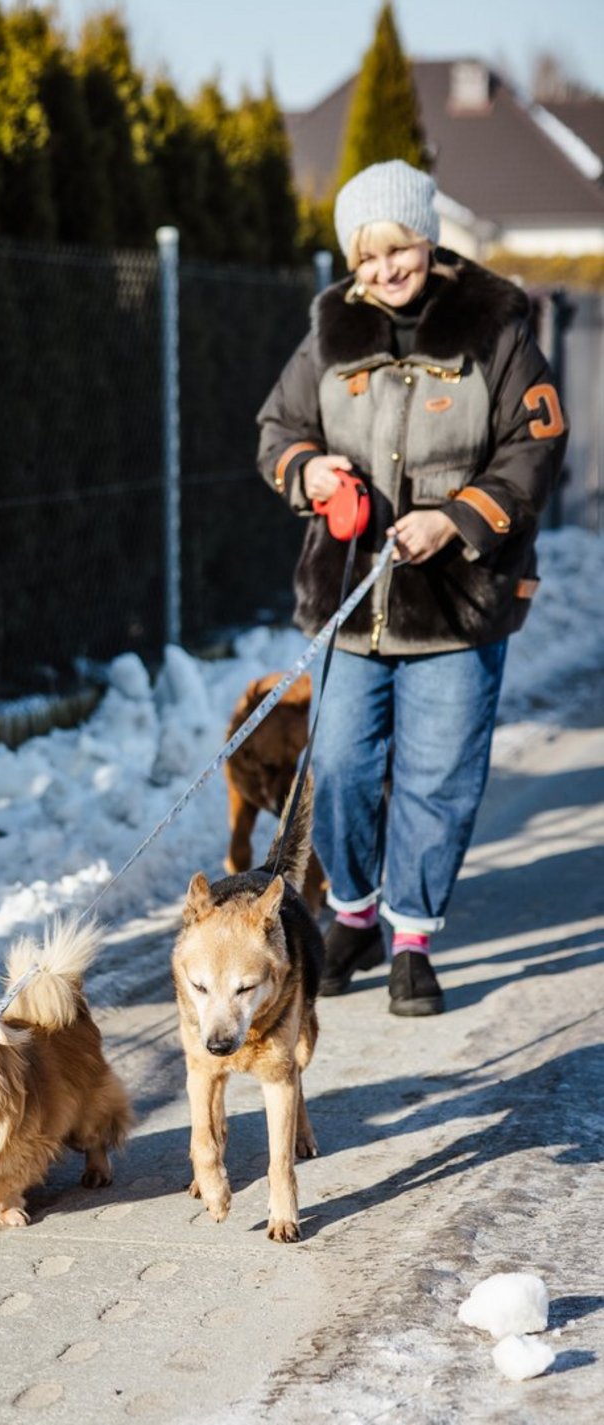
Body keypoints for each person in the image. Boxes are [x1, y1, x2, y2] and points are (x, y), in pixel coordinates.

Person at [256, 159, 568, 1016]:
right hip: (352, 600)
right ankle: (352, 911)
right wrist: (310, 470)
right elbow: (277, 430)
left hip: (460, 603)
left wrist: (458, 517)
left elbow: (535, 447)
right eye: (367, 256)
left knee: (437, 775)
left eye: (399, 249)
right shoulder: (328, 333)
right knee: (346, 766)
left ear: (428, 241)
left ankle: (412, 940)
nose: (386, 269)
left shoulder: (497, 329)